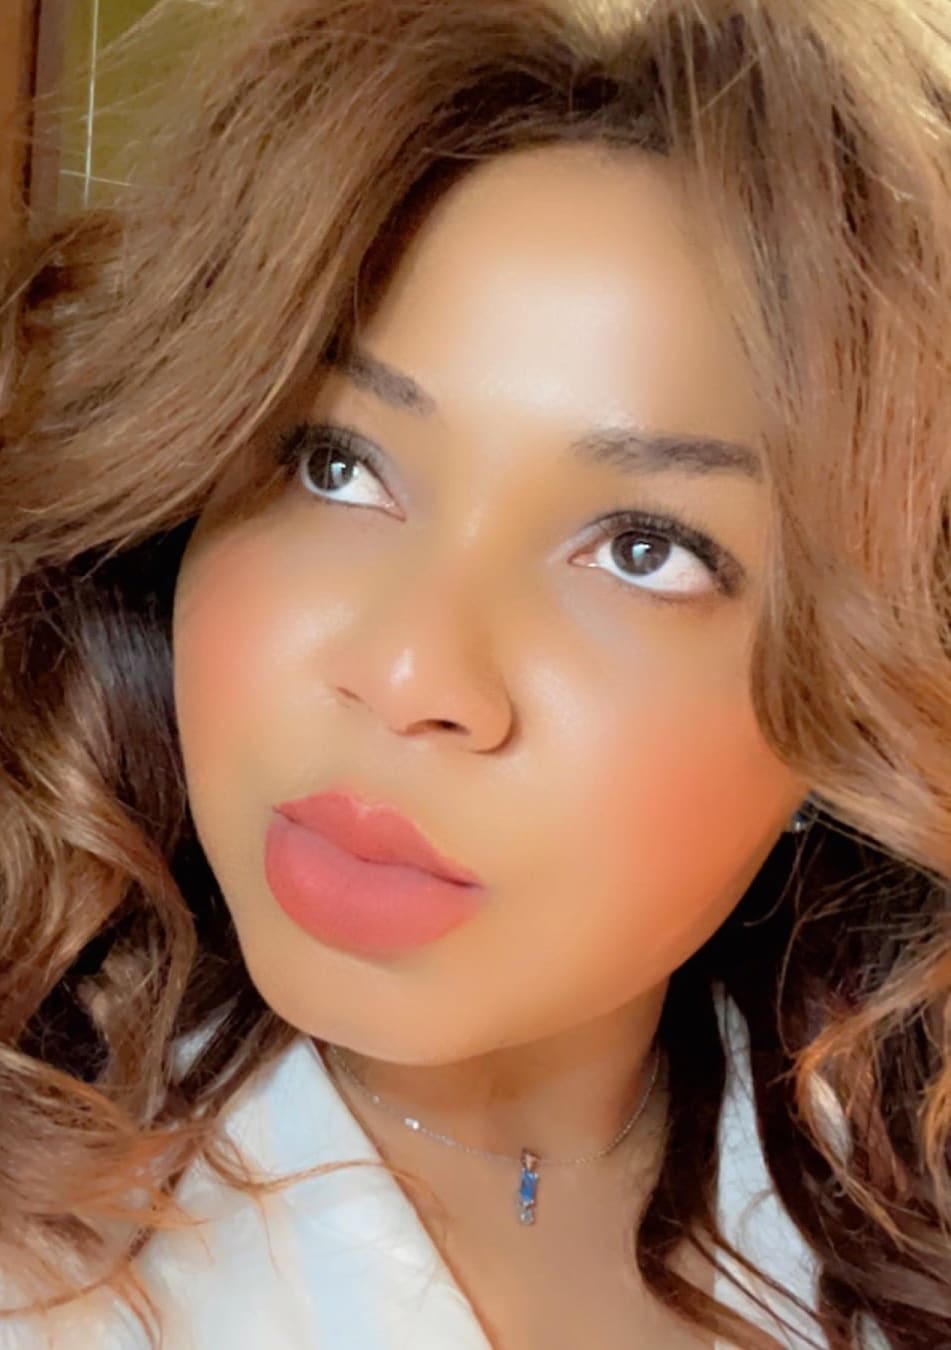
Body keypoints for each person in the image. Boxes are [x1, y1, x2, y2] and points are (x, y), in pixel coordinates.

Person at [0, 0, 948, 1346]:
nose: (407, 673)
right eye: (336, 464)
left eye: (644, 549)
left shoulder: (894, 1207)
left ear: (860, 705)